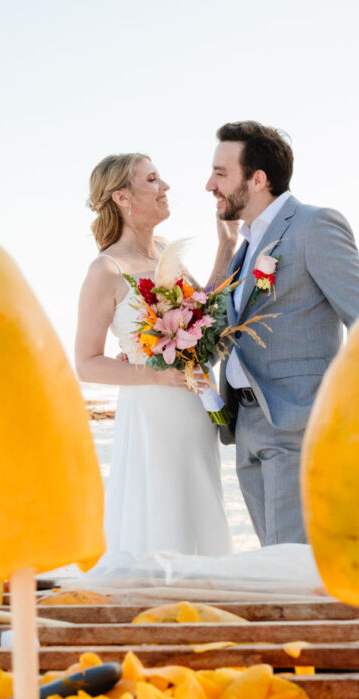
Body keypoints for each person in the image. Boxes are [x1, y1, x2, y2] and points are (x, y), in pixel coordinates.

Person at [207, 121, 359, 545]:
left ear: (258, 179)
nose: (210, 184)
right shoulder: (244, 245)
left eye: (221, 173)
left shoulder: (313, 227)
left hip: (298, 423)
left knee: (295, 570)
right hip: (246, 424)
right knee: (275, 563)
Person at [73, 153, 235, 560]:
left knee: (200, 501)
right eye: (152, 179)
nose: (165, 187)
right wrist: (156, 375)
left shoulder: (165, 250)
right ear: (123, 197)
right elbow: (86, 362)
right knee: (163, 512)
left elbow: (206, 311)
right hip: (153, 411)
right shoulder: (105, 271)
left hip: (194, 407)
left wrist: (226, 246)